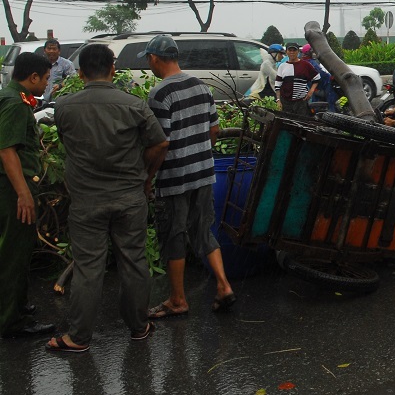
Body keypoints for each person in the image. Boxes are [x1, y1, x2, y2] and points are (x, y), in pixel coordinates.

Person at [46, 44, 169, 352]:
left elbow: (66, 142)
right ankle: (139, 326)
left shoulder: (64, 106)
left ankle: (79, 337)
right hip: (129, 197)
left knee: (88, 267)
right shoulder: (133, 105)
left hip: (86, 201)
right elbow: (159, 144)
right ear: (113, 69)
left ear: (81, 72)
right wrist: (145, 174)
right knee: (134, 261)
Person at [140, 35, 236, 318]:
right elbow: (214, 130)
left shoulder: (159, 94)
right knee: (203, 231)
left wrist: (148, 179)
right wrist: (201, 153)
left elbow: (161, 143)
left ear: (155, 58)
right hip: (204, 173)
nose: (149, 65)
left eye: (148, 59)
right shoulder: (201, 87)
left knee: (174, 235)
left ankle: (178, 300)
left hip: (175, 177)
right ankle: (223, 285)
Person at [0, 53, 55, 340]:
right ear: (33, 77)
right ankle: (12, 321)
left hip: (10, 187)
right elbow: (7, 151)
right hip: (12, 190)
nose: (47, 84)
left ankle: (15, 305)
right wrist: (23, 194)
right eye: (45, 78)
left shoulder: (10, 96)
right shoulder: (16, 104)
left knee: (13, 250)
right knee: (14, 254)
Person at [274, 42, 320, 117]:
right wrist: (278, 100)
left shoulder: (305, 65)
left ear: (298, 52)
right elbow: (277, 85)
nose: (292, 52)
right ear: (286, 52)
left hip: (301, 102)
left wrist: (311, 92)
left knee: (302, 124)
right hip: (286, 102)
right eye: (290, 50)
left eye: (294, 50)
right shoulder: (282, 66)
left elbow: (317, 78)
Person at [301, 43, 338, 112]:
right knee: (331, 101)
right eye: (313, 52)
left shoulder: (303, 62)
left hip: (313, 87)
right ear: (309, 53)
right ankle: (332, 113)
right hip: (321, 86)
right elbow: (321, 75)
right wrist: (331, 77)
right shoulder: (312, 63)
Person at [42, 38, 76, 103]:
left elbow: (73, 80)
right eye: (49, 49)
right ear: (44, 50)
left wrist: (60, 85)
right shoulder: (40, 63)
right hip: (41, 101)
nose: (51, 51)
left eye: (54, 49)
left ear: (59, 51)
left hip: (58, 101)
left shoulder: (67, 64)